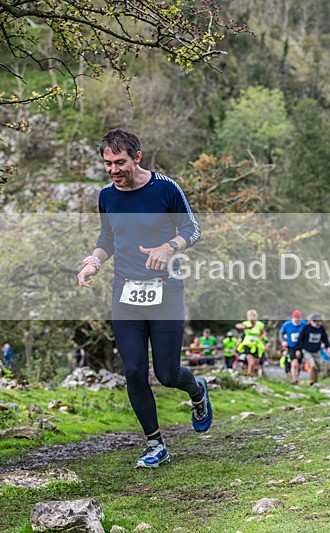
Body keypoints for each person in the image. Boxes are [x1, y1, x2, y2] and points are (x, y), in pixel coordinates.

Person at [76, 128, 212, 469]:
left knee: (166, 374)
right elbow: (107, 238)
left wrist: (169, 247)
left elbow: (192, 229)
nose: (113, 170)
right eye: (107, 163)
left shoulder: (165, 188)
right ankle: (155, 444)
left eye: (119, 162)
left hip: (166, 289)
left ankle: (196, 390)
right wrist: (94, 260)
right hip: (125, 292)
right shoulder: (107, 196)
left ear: (137, 157)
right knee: (134, 370)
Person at [297, 312, 330, 387]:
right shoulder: (307, 328)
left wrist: (328, 348)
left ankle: (315, 381)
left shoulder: (321, 329)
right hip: (307, 350)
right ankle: (311, 382)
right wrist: (298, 349)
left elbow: (325, 338)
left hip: (316, 350)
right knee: (312, 365)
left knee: (318, 367)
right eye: (318, 322)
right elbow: (300, 339)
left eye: (320, 322)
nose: (319, 323)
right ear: (313, 321)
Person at [235, 309, 266, 376]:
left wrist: (260, 338)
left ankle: (253, 374)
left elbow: (264, 333)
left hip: (256, 345)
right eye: (249, 315)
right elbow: (238, 325)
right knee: (250, 362)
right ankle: (249, 374)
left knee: (256, 362)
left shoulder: (259, 324)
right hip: (247, 344)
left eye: (252, 315)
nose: (250, 317)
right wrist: (245, 327)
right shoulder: (246, 323)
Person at [279, 309, 307, 384]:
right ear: (293, 318)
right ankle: (293, 379)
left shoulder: (304, 324)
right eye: (296, 319)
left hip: (301, 347)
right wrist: (283, 342)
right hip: (290, 346)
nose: (297, 321)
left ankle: (297, 376)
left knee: (299, 364)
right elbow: (281, 333)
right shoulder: (287, 324)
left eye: (299, 319)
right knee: (294, 363)